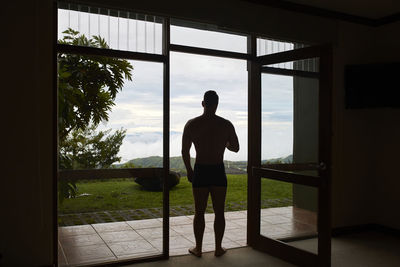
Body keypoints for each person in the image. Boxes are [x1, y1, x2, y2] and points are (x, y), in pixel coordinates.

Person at [182, 90, 239, 257]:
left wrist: (189, 170)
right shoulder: (226, 124)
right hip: (217, 170)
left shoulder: (192, 124)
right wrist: (224, 142)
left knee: (199, 212)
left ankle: (198, 248)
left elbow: (185, 151)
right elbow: (235, 148)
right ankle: (218, 248)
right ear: (217, 104)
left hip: (200, 169)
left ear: (203, 103)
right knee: (219, 211)